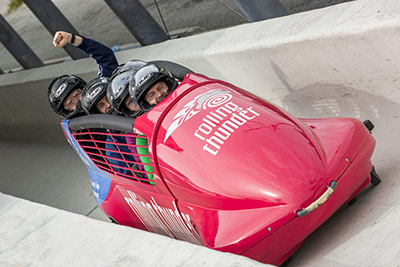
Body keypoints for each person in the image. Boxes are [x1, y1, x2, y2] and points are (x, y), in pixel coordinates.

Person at [48, 31, 118, 118]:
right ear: (66, 110)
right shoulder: (81, 130)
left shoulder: (101, 90)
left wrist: (72, 39)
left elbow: (106, 57)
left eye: (76, 95)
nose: (77, 101)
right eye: (70, 103)